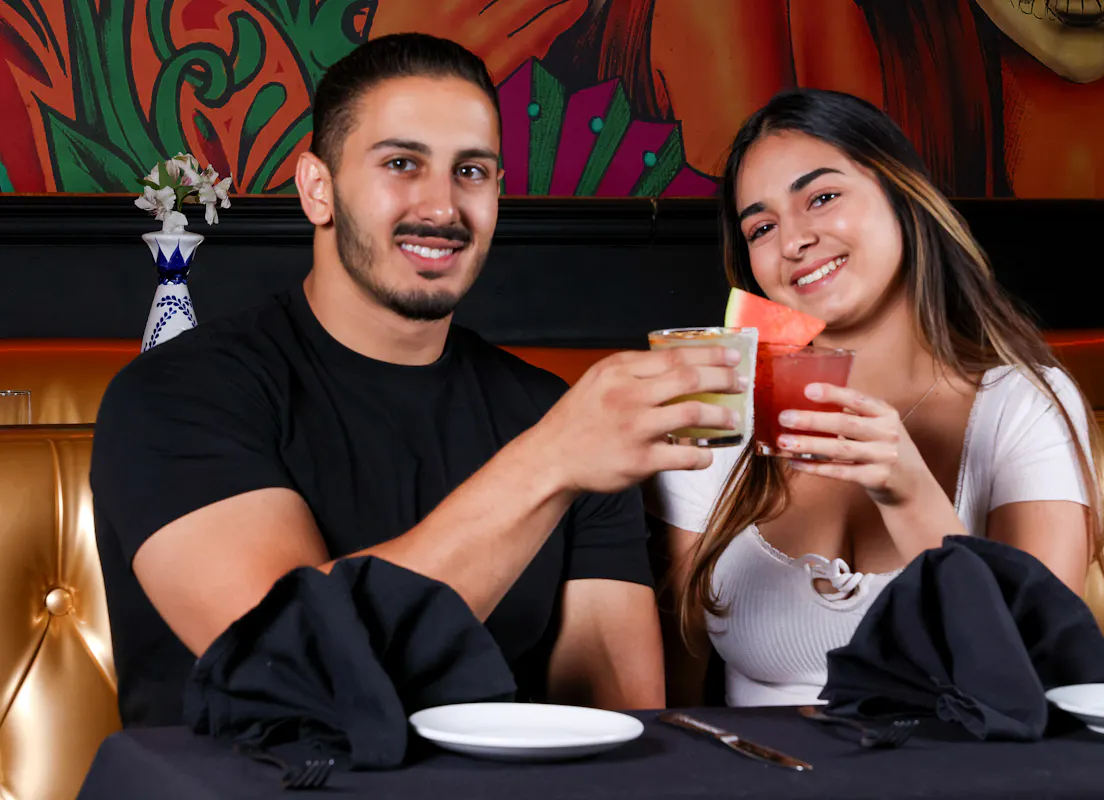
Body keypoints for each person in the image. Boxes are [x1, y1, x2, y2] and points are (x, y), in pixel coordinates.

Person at [90, 32, 744, 728]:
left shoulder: (554, 413)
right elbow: (296, 670)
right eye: (402, 163)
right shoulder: (174, 397)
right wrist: (549, 462)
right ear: (319, 189)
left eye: (472, 171)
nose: (441, 208)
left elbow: (610, 714)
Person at [646, 87, 1104, 709]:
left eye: (823, 197)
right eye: (761, 226)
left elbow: (1034, 685)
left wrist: (911, 494)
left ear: (901, 194)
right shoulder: (718, 410)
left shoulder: (1022, 405)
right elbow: (673, 690)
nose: (793, 242)